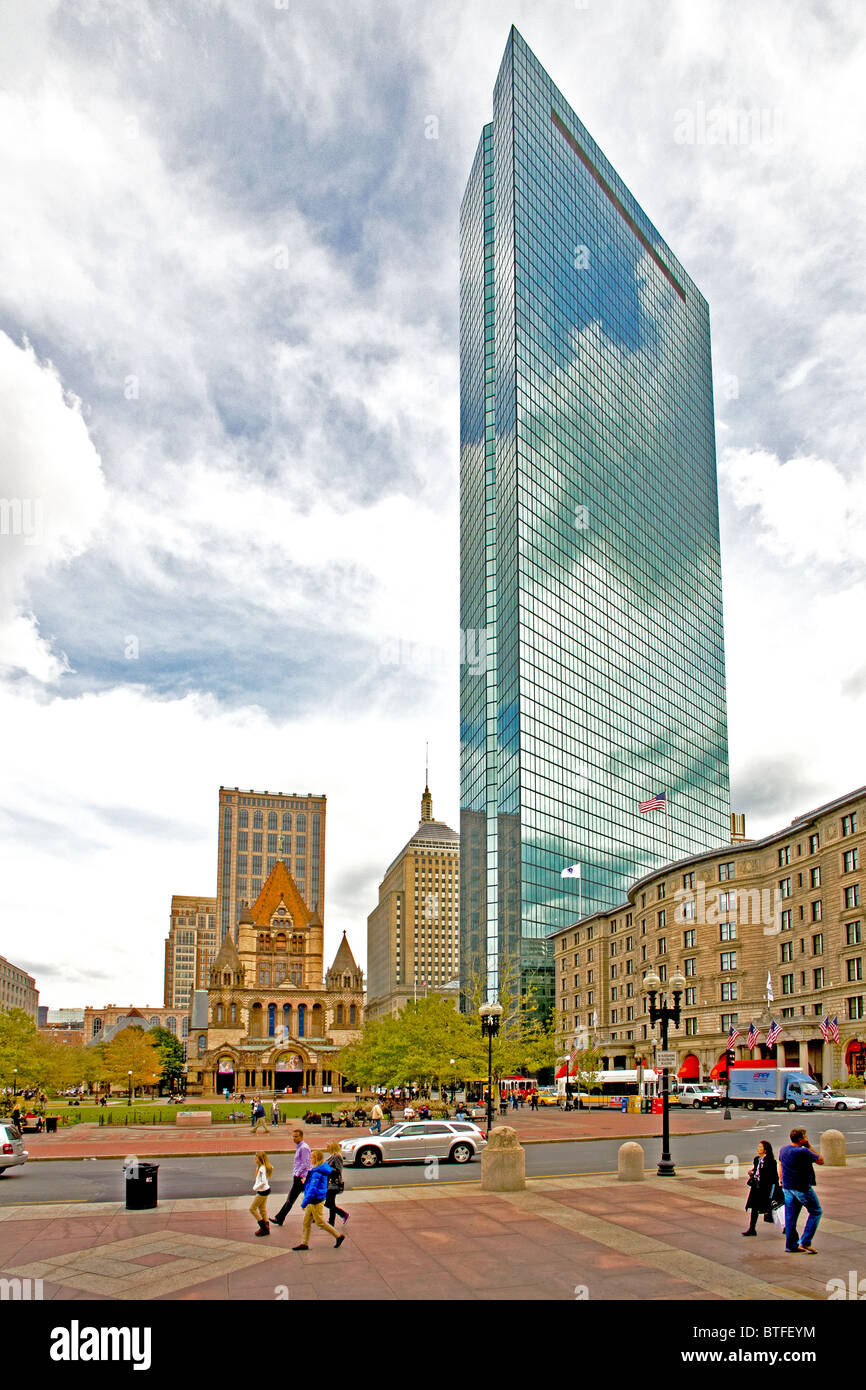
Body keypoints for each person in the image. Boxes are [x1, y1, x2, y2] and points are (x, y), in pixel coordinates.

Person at [779, 1127, 824, 1254]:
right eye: (805, 1137)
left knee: (790, 1217)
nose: (807, 1139)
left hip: (787, 1187)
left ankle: (791, 1245)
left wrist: (781, 1179)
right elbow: (820, 1160)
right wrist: (808, 1145)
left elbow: (781, 1164)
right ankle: (805, 1241)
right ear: (801, 1140)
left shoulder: (784, 1149)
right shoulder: (803, 1151)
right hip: (802, 1188)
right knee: (816, 1211)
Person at [292, 1149, 346, 1251]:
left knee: (320, 1222)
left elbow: (312, 1189)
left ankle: (338, 1236)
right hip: (315, 1200)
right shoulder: (318, 1169)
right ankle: (304, 1243)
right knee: (306, 1222)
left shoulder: (317, 1172)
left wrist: (304, 1203)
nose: (310, 1159)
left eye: (312, 1157)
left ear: (316, 1159)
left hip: (315, 1201)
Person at [272, 1128, 311, 1226]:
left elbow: (305, 1163)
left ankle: (280, 1218)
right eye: (293, 1136)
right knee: (304, 1197)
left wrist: (297, 1173)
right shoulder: (300, 1147)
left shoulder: (303, 1148)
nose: (294, 1138)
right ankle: (280, 1218)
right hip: (301, 1177)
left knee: (291, 1199)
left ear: (301, 1137)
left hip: (301, 1178)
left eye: (296, 1136)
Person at [742, 1140, 780, 1235]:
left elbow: (774, 1177)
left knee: (774, 1207)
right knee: (754, 1208)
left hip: (765, 1188)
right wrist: (752, 1172)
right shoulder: (757, 1159)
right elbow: (756, 1170)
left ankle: (785, 1226)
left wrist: (774, 1190)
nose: (758, 1149)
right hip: (756, 1187)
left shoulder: (771, 1162)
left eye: (760, 1147)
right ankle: (752, 1229)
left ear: (765, 1149)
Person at [324, 1139, 350, 1227]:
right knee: (331, 1203)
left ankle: (343, 1214)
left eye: (328, 1146)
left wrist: (327, 1169)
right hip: (330, 1183)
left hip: (334, 1183)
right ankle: (331, 1221)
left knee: (328, 1203)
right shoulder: (333, 1156)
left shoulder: (337, 1156)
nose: (326, 1148)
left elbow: (338, 1170)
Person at [250, 1151, 273, 1237]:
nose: (254, 1159)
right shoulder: (262, 1167)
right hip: (265, 1190)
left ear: (260, 1159)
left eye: (256, 1158)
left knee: (252, 1209)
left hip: (262, 1191)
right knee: (262, 1209)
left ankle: (263, 1228)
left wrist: (255, 1188)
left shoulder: (262, 1168)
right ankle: (266, 1227)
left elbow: (263, 1181)